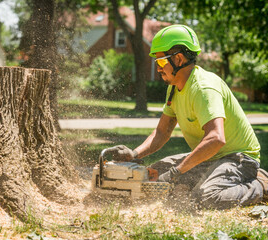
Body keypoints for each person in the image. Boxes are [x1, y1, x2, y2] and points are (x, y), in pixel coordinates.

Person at [111, 24, 268, 209]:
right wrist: (134, 153)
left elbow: (216, 138)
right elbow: (162, 132)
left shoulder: (203, 88)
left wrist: (176, 172)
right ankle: (206, 181)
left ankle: (261, 184)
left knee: (207, 198)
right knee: (153, 174)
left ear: (178, 59)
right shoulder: (174, 87)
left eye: (161, 62)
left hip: (239, 159)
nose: (158, 68)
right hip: (211, 157)